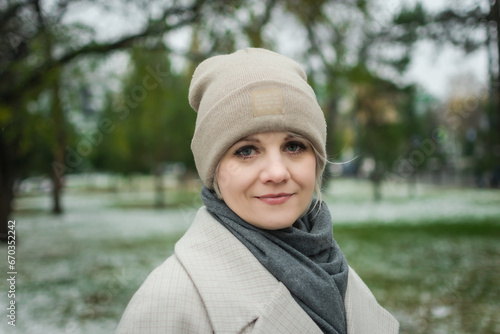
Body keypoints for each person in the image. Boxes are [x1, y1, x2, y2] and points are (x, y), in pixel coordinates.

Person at [115, 48, 399, 334]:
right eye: (247, 151)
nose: (276, 173)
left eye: (294, 146)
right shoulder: (169, 305)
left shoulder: (336, 273)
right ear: (213, 170)